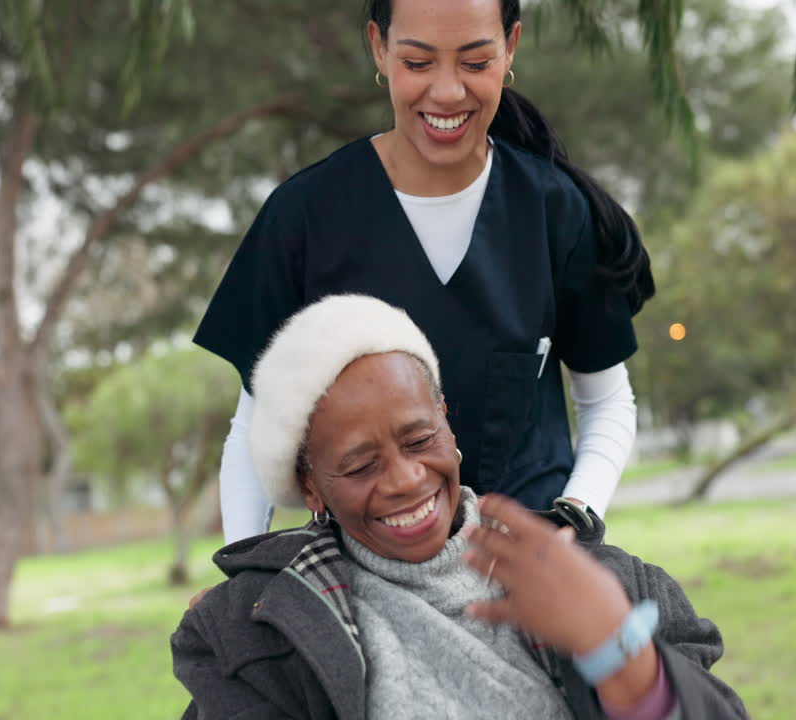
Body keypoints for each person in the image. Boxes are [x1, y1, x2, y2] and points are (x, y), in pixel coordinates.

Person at [194, 0, 656, 543]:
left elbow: (606, 400)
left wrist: (573, 520)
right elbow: (256, 423)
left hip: (524, 564)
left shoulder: (555, 209)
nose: (446, 92)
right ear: (379, 48)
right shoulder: (302, 218)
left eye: (475, 63)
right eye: (417, 63)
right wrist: (241, 574)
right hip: (367, 577)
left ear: (510, 48)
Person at [172, 295, 748, 720]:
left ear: (446, 420)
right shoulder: (257, 638)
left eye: (420, 440)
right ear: (312, 487)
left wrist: (624, 658)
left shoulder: (607, 584)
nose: (405, 479)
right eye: (360, 465)